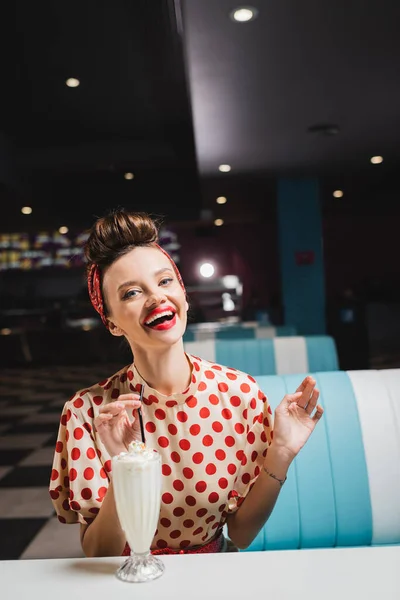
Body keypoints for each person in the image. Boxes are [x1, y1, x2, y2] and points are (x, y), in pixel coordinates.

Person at [49, 209, 324, 557]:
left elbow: (240, 533)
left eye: (165, 281)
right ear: (112, 322)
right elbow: (99, 552)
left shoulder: (240, 394)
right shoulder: (86, 412)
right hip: (127, 580)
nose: (156, 298)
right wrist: (125, 468)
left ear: (182, 292)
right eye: (132, 293)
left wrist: (281, 452)